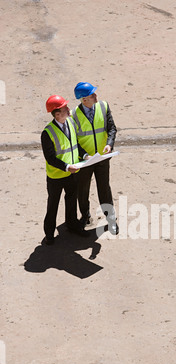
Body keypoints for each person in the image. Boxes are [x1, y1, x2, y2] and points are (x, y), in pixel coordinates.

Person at [41, 94, 89, 245]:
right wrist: (67, 167)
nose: (69, 109)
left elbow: (75, 145)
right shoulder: (47, 133)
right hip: (56, 176)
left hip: (72, 174)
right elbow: (50, 158)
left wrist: (85, 155)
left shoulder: (70, 123)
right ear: (57, 114)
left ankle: (72, 224)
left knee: (71, 200)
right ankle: (49, 234)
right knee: (53, 205)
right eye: (64, 108)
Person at [71, 81, 118, 234]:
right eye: (92, 94)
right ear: (84, 99)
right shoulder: (74, 116)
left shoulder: (103, 106)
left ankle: (111, 219)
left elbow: (112, 128)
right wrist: (84, 155)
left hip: (102, 158)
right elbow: (73, 141)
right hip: (85, 160)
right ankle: (85, 216)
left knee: (104, 188)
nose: (96, 95)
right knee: (82, 190)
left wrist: (109, 144)